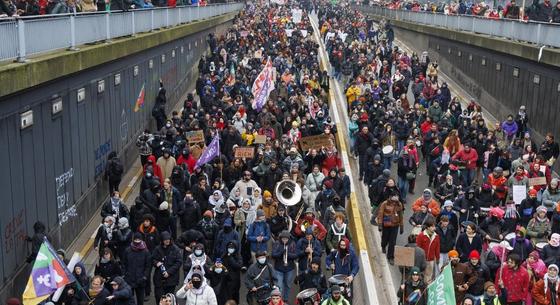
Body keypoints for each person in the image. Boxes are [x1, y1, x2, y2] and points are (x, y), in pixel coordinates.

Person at [151, 231, 182, 304]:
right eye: (165, 240)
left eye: (168, 239)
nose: (167, 241)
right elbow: (152, 259)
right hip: (159, 279)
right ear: (162, 240)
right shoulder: (157, 249)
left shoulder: (175, 249)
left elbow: (179, 262)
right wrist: (156, 263)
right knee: (159, 298)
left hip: (171, 279)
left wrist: (169, 272)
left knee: (169, 299)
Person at [122, 233, 151, 305]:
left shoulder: (146, 252)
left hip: (140, 281)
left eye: (139, 239)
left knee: (140, 301)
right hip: (129, 280)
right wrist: (125, 274)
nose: (137, 241)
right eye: (135, 239)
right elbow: (124, 264)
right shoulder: (127, 250)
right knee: (129, 301)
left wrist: (144, 277)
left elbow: (148, 266)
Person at [376, 192, 404, 265]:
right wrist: (380, 224)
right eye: (394, 196)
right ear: (390, 196)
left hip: (395, 225)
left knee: (392, 242)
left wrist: (401, 226)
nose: (395, 197)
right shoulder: (385, 203)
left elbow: (401, 215)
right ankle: (383, 246)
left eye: (397, 196)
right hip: (386, 224)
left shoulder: (399, 204)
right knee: (385, 238)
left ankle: (390, 257)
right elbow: (381, 213)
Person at [271, 230, 297, 302]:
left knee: (288, 285)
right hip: (279, 268)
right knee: (279, 286)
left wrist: (288, 254)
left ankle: (286, 299)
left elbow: (296, 255)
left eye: (286, 239)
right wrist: (281, 252)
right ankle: (279, 301)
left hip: (289, 269)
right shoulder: (277, 243)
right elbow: (273, 255)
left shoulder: (292, 244)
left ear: (289, 238)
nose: (284, 240)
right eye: (283, 238)